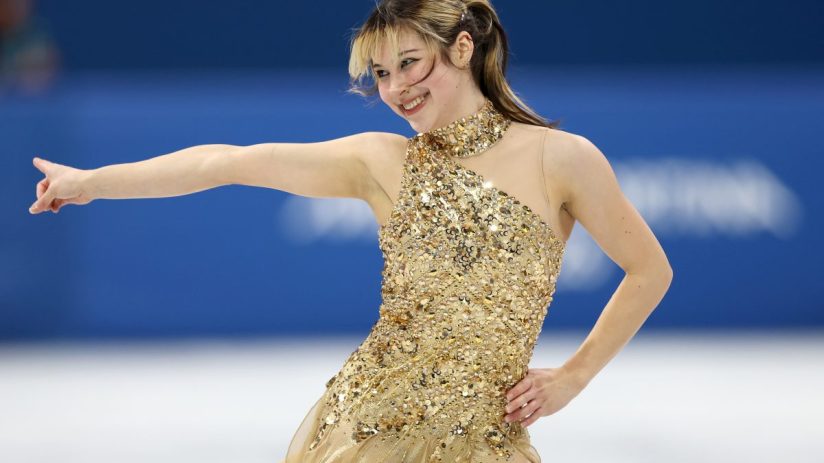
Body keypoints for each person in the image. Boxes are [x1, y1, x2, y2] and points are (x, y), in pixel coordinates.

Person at [28, 0, 673, 461]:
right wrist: (89, 182)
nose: (395, 89)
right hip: (369, 429)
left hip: (485, 436)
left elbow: (649, 271)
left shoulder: (562, 159)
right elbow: (224, 162)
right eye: (382, 74)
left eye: (410, 63)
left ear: (463, 49)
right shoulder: (381, 162)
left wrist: (574, 376)